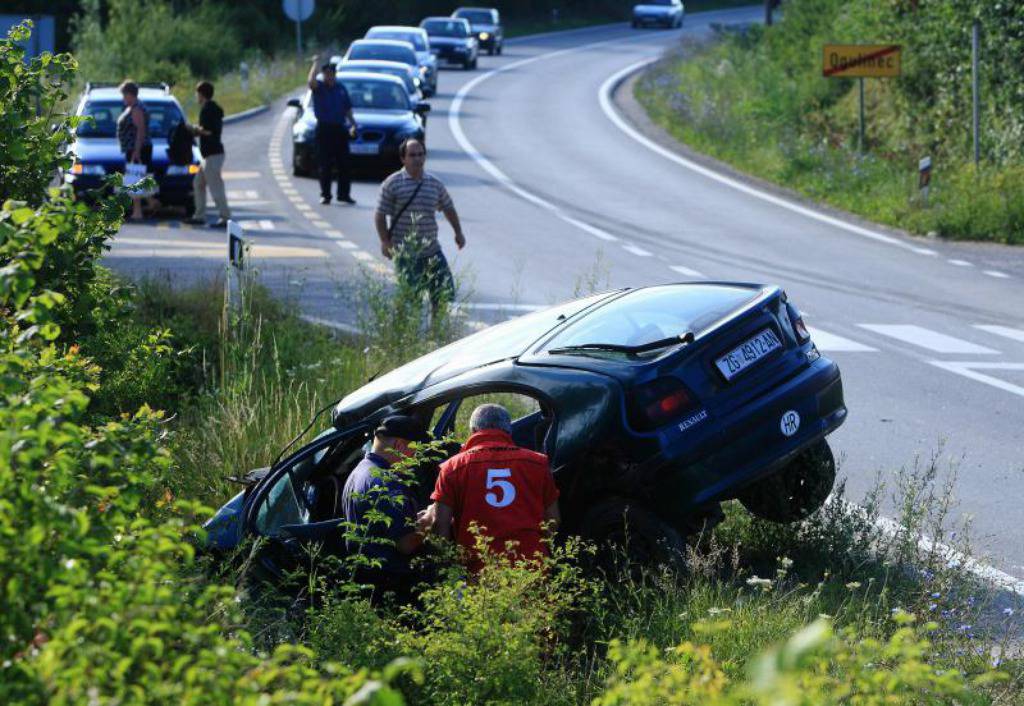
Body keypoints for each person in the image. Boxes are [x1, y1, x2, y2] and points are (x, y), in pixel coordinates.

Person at [419, 404, 560, 570]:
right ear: (509, 431)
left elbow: (439, 524)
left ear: (473, 430)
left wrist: (447, 569)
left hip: (478, 573)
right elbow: (553, 520)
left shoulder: (452, 468)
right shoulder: (538, 463)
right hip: (531, 569)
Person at [341, 414, 431, 600]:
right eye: (415, 452)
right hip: (389, 587)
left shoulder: (359, 472)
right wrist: (430, 520)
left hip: (366, 581)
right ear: (399, 446)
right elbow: (405, 544)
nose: (416, 459)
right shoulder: (387, 484)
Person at [374, 138, 466, 315]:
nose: (417, 159)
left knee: (443, 294)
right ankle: (402, 335)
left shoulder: (434, 184)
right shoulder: (393, 183)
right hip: (406, 254)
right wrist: (385, 242)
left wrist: (458, 232)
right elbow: (380, 214)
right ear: (403, 159)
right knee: (411, 299)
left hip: (432, 251)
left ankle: (435, 336)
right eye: (412, 155)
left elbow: (448, 207)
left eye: (421, 154)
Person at [307, 55, 358, 205]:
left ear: (335, 74)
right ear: (323, 75)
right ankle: (326, 195)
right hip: (324, 129)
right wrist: (315, 63)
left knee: (344, 164)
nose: (329, 76)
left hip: (339, 129)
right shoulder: (320, 88)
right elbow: (311, 81)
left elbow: (347, 109)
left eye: (331, 73)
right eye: (326, 73)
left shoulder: (341, 88)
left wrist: (353, 124)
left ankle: (344, 194)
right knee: (325, 165)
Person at [188, 80, 231, 228]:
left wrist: (194, 130)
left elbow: (208, 131)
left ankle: (225, 217)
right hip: (211, 154)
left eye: (197, 93)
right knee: (198, 183)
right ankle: (199, 215)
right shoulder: (215, 108)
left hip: (212, 154)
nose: (196, 96)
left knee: (216, 186)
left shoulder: (207, 110)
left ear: (202, 94)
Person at [116, 80, 153, 221]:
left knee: (135, 178)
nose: (123, 98)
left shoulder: (137, 108)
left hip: (137, 149)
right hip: (135, 148)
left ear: (130, 94)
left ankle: (138, 211)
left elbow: (140, 131)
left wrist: (136, 152)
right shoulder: (133, 107)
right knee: (139, 178)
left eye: (124, 95)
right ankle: (151, 202)